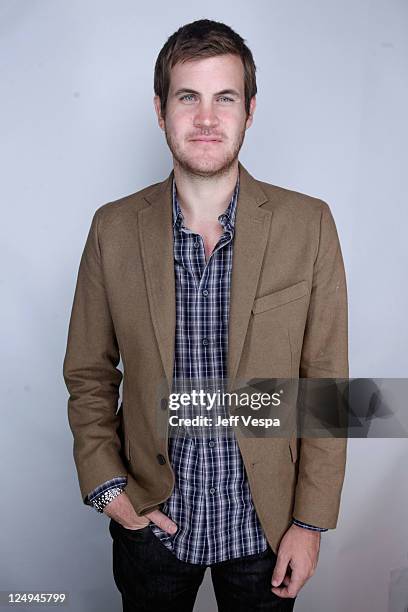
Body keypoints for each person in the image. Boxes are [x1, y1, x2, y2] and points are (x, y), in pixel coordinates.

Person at [63, 18, 348, 612]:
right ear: (160, 108)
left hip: (266, 530)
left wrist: (311, 522)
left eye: (226, 98)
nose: (206, 118)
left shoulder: (308, 224)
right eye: (187, 96)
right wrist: (108, 488)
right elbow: (88, 373)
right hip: (153, 527)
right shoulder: (112, 229)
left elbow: (325, 389)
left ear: (249, 110)